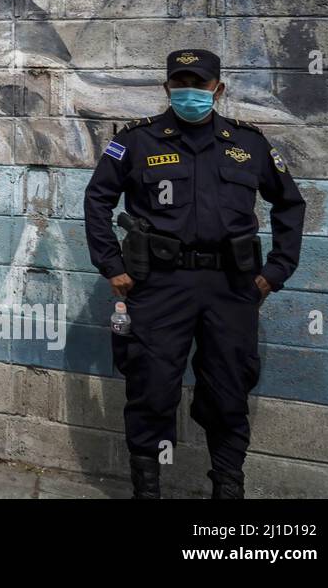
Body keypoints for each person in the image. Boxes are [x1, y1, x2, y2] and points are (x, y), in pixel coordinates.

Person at [83, 49, 306, 498]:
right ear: (166, 88)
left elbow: (290, 204)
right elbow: (97, 200)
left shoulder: (250, 144)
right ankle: (147, 490)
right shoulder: (136, 141)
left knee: (228, 390)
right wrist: (112, 266)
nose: (190, 92)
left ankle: (227, 487)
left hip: (231, 287)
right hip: (159, 285)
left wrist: (276, 272)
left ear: (218, 89)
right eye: (180, 83)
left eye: (199, 84)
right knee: (151, 387)